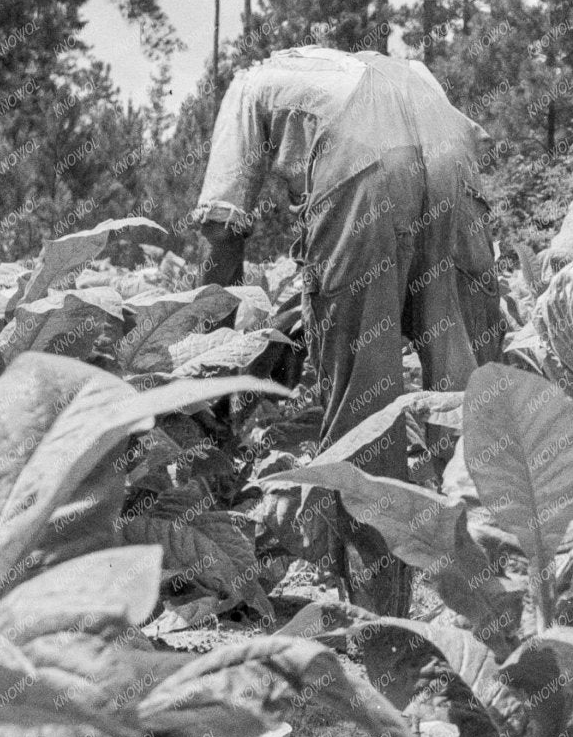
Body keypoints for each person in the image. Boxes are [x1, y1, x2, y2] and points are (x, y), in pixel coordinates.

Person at [192, 41, 504, 615]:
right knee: (465, 399)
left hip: (361, 163)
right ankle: (501, 610)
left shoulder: (248, 86)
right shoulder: (400, 70)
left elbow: (223, 232)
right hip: (452, 152)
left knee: (365, 406)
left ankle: (381, 627)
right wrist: (292, 322)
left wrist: (203, 372)